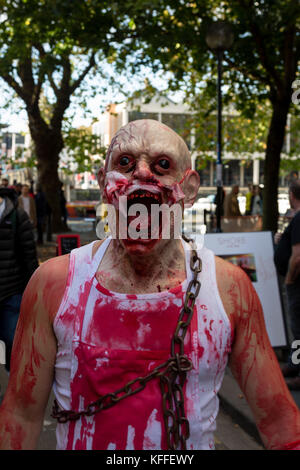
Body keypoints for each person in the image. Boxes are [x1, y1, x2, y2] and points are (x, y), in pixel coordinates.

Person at [0, 120, 300, 450]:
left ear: (188, 189)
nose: (142, 173)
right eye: (125, 162)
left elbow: (278, 419)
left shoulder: (230, 289)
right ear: (103, 183)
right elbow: (21, 415)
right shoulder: (53, 284)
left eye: (162, 164)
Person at [0, 187, 39, 372]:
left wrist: (34, 290)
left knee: (11, 339)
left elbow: (29, 256)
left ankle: (12, 384)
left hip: (11, 291)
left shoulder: (17, 215)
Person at [274, 179, 300, 390]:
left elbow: (298, 256)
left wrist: (290, 279)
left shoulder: (299, 217)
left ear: (292, 194)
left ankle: (298, 371)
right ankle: (294, 364)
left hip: (297, 283)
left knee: (298, 328)